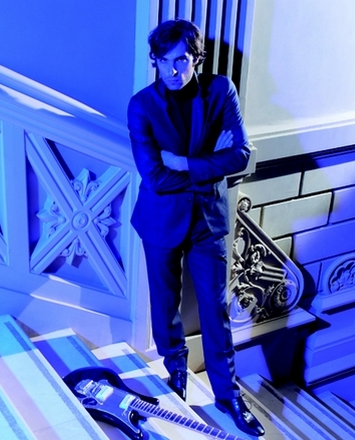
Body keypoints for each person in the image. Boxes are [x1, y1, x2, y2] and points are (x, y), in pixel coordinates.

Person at [127, 19, 265, 437]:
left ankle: (227, 395)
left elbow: (241, 155)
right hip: (160, 218)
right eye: (165, 61)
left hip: (208, 221)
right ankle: (176, 376)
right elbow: (155, 177)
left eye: (182, 60)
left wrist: (184, 163)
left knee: (215, 309)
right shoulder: (141, 106)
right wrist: (208, 167)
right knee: (164, 305)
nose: (174, 70)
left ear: (196, 58)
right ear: (154, 61)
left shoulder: (220, 90)